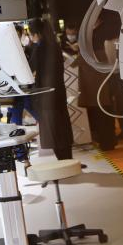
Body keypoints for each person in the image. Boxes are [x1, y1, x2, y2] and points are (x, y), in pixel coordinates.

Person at [75, 12, 123, 150]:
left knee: (106, 111)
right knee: (120, 107)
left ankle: (112, 140)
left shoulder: (95, 35)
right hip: (114, 76)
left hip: (104, 79)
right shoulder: (108, 30)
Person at [28, 17, 74, 160]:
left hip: (46, 95)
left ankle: (63, 162)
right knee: (62, 128)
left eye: (31, 34)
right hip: (58, 92)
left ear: (36, 34)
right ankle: (68, 160)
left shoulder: (39, 49)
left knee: (53, 131)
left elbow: (29, 69)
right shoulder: (54, 46)